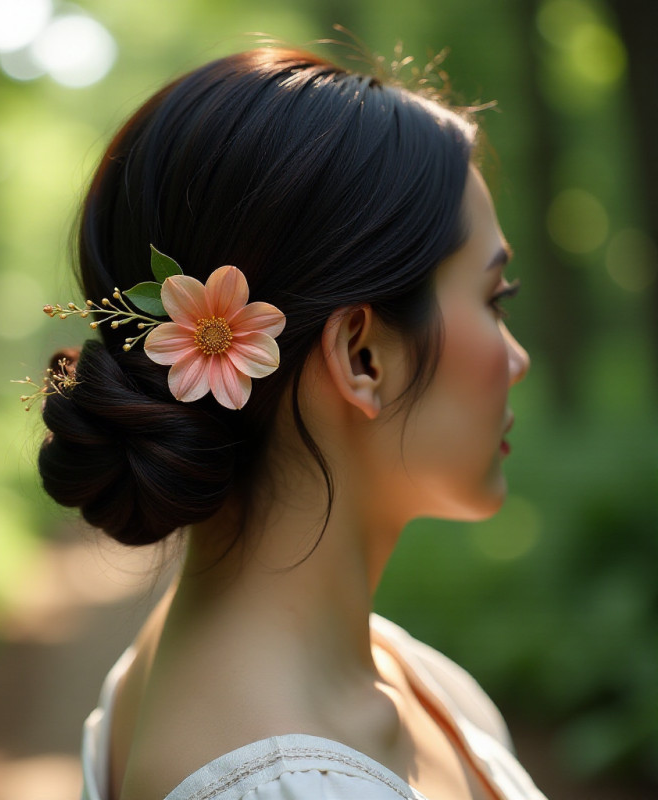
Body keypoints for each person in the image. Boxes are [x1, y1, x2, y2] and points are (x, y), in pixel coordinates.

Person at [32, 45, 546, 800]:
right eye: (494, 299)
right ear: (362, 355)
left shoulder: (360, 668)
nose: (518, 357)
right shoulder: (277, 782)